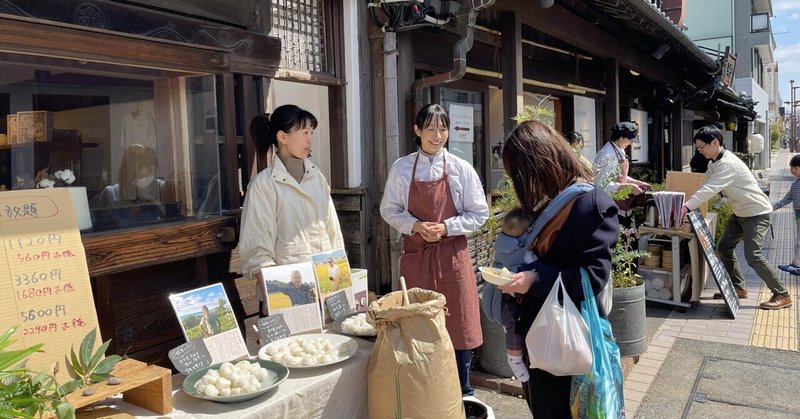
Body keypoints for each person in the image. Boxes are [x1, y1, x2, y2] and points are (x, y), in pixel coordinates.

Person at [496, 120, 619, 417]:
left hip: (570, 336)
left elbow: (592, 277)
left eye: (520, 174)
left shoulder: (590, 204)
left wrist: (536, 278)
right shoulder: (544, 201)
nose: (519, 183)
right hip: (537, 334)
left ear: (540, 164)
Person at [380, 103, 489, 397]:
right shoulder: (402, 168)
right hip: (418, 257)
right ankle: (422, 390)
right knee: (418, 322)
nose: (437, 135)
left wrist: (446, 227)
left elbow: (480, 213)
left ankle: (463, 391)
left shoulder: (460, 169)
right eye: (430, 128)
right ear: (417, 131)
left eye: (443, 129)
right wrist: (415, 226)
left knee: (458, 322)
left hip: (452, 256)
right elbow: (388, 210)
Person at [238, 105, 344, 316]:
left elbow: (334, 235)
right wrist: (271, 296)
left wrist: (340, 283)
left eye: (311, 133)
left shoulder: (318, 179)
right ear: (282, 137)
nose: (309, 140)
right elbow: (257, 250)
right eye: (304, 132)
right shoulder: (264, 185)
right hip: (286, 296)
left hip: (325, 291)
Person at [681, 124, 791, 310]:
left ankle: (782, 294)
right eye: (698, 148)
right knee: (724, 248)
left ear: (715, 142)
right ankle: (739, 287)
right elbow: (704, 185)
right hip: (740, 212)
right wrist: (686, 201)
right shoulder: (713, 163)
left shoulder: (728, 164)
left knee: (753, 255)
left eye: (702, 147)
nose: (700, 151)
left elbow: (710, 189)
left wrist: (685, 207)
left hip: (757, 213)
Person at [493, 207, 536, 383]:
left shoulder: (502, 245)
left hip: (507, 300)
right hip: (513, 301)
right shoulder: (524, 253)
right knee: (515, 330)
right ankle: (514, 357)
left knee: (513, 328)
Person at [593, 122, 651, 213]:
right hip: (607, 206)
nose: (632, 143)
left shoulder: (619, 150)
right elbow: (602, 185)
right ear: (620, 137)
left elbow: (618, 176)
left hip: (621, 204)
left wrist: (637, 182)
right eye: (630, 140)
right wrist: (630, 187)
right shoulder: (607, 155)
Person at [774, 155, 800, 276]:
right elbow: (789, 197)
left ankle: (796, 265)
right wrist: (776, 206)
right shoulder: (796, 183)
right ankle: (796, 264)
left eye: (795, 167)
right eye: (791, 168)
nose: (792, 170)